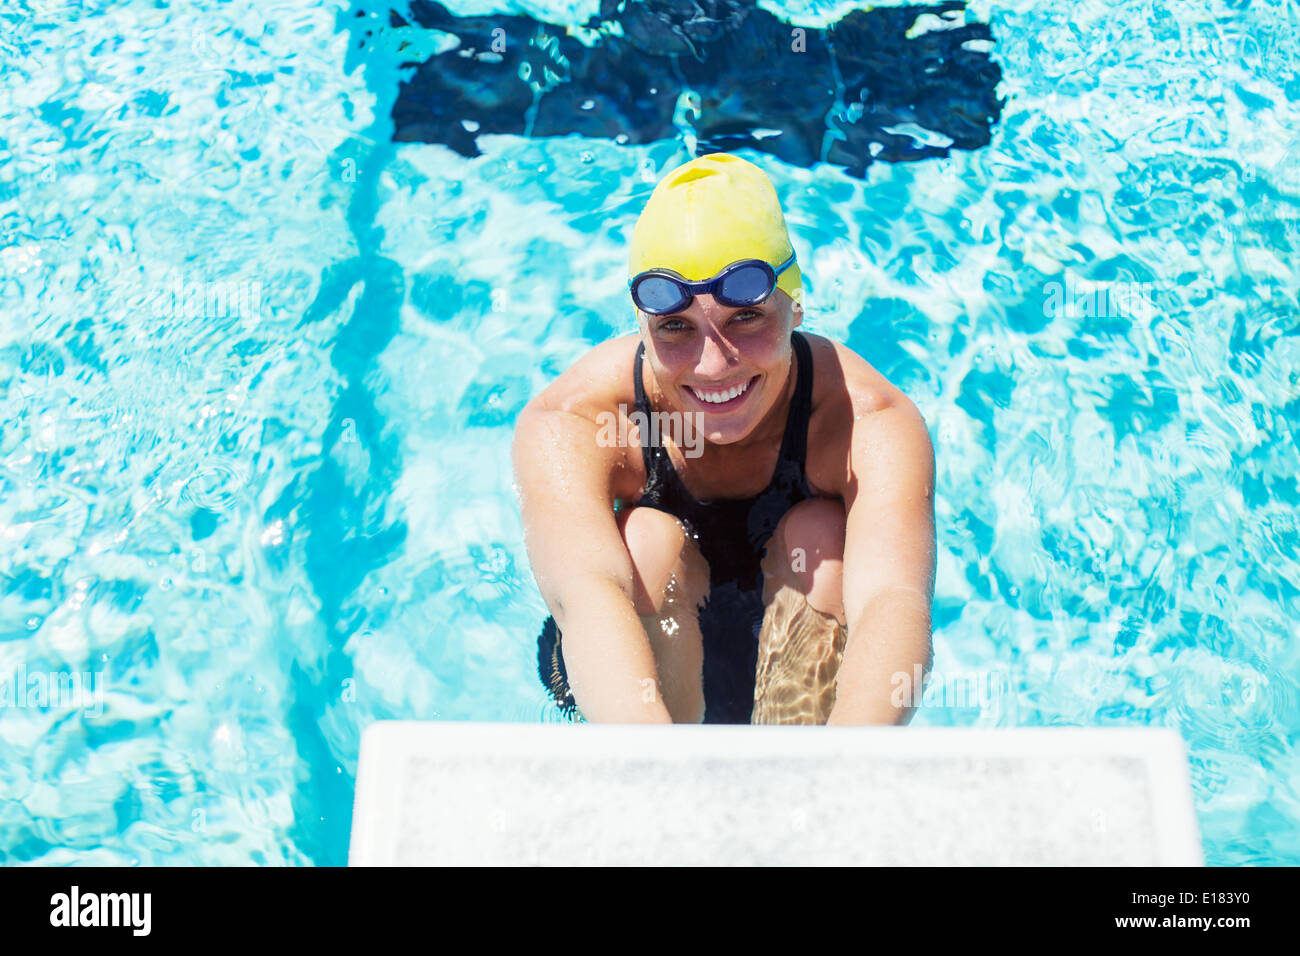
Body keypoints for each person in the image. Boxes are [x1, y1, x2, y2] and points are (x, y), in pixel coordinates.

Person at [512, 152, 936, 724]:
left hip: (806, 652)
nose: (713, 366)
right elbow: (588, 600)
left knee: (823, 540)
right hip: (637, 663)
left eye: (746, 318)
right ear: (642, 326)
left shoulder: (866, 419)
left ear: (796, 304)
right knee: (644, 543)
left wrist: (843, 778)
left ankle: (797, 776)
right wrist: (657, 778)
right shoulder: (577, 421)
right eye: (676, 328)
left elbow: (893, 604)